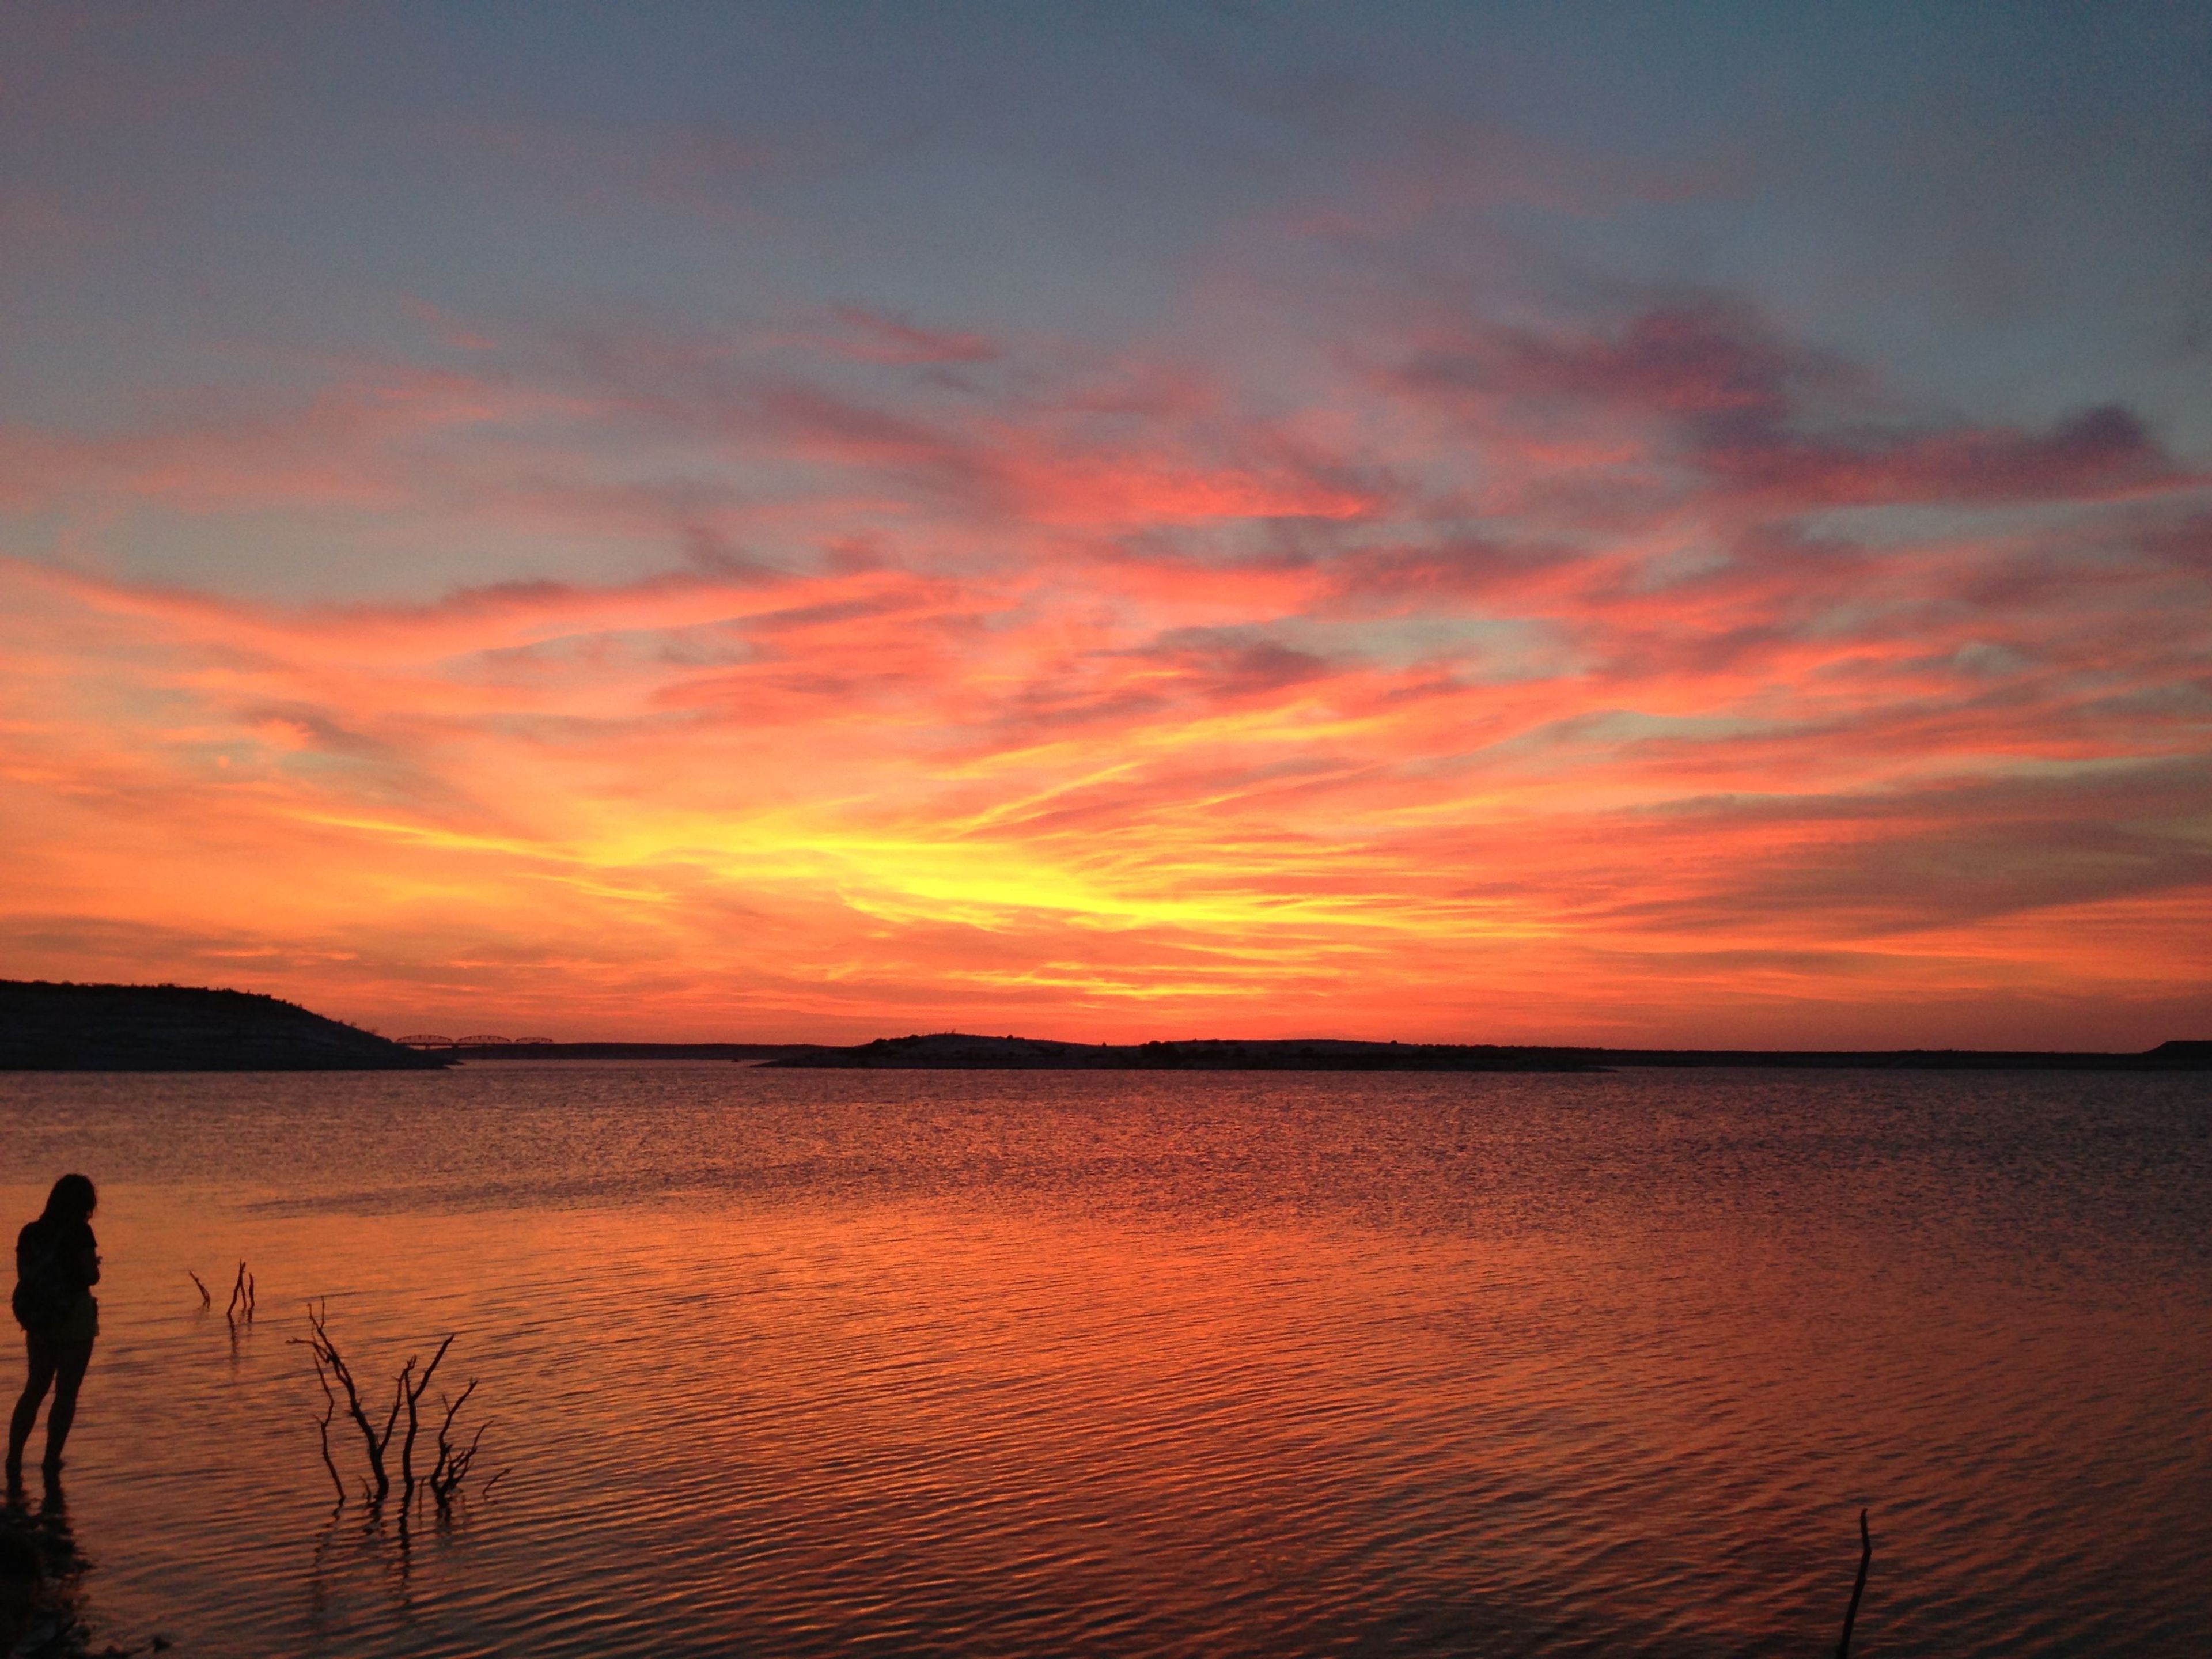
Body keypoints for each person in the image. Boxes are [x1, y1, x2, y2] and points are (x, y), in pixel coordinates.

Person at [7, 1176, 100, 1487]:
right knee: (66, 1394)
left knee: (34, 1389)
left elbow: (24, 1275)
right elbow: (90, 1276)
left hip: (40, 1318)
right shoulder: (80, 1232)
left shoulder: (31, 1232)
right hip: (73, 1316)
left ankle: (14, 1459)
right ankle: (50, 1461)